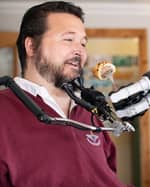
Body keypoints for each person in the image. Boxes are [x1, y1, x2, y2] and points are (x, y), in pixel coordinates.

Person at [0, 1, 133, 187]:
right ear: (31, 47)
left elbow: (108, 176)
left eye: (83, 43)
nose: (80, 50)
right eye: (68, 39)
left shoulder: (88, 111)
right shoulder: (3, 110)